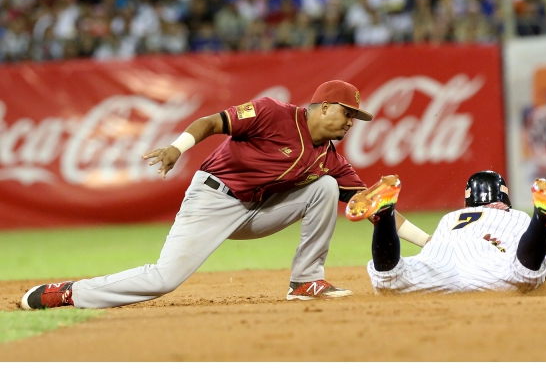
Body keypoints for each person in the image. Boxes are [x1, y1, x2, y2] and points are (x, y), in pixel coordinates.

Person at [21, 80, 432, 309]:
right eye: (348, 113)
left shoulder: (330, 158)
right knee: (164, 279)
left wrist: (431, 243)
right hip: (214, 199)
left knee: (325, 187)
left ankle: (306, 281)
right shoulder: (274, 112)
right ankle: (72, 292)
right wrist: (176, 148)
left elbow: (376, 208)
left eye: (356, 117)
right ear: (324, 107)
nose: (351, 123)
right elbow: (210, 122)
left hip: (256, 211)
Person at [346, 171, 546, 294]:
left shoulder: (450, 218)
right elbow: (535, 261)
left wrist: (390, 221)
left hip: (438, 261)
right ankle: (542, 217)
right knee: (525, 274)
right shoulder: (514, 216)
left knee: (390, 280)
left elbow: (430, 243)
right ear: (504, 196)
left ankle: (385, 215)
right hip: (491, 260)